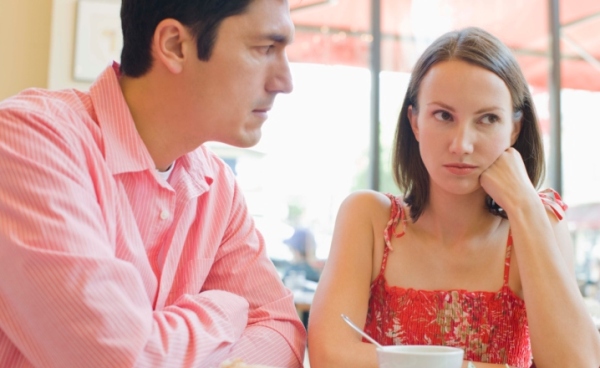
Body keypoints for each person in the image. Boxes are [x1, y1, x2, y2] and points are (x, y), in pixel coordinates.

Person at [0, 0, 306, 367]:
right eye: (265, 48)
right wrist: (225, 309)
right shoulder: (29, 141)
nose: (285, 82)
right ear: (175, 45)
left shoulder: (218, 188)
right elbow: (112, 357)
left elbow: (283, 333)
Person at [307, 27, 600, 368]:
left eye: (488, 118)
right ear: (415, 121)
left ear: (514, 130)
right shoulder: (370, 219)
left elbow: (579, 364)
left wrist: (523, 205)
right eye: (444, 116)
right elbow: (329, 356)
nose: (462, 144)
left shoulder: (540, 222)